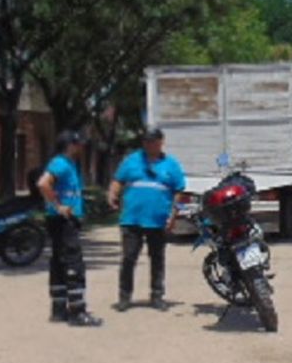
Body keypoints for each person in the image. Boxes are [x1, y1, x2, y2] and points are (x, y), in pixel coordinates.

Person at [107, 127, 186, 311]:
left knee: (157, 259)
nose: (148, 144)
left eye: (152, 141)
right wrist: (112, 194)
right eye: (146, 141)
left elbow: (179, 192)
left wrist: (174, 216)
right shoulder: (132, 160)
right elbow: (118, 180)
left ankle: (157, 296)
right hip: (132, 220)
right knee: (128, 258)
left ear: (161, 142)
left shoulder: (171, 165)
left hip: (158, 221)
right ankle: (124, 297)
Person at [36, 130, 101, 328]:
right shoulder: (61, 163)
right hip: (63, 220)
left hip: (62, 220)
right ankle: (77, 312)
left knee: (59, 261)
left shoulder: (69, 164)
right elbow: (43, 183)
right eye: (78, 144)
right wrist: (58, 205)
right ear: (70, 145)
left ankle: (58, 309)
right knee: (74, 263)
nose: (81, 147)